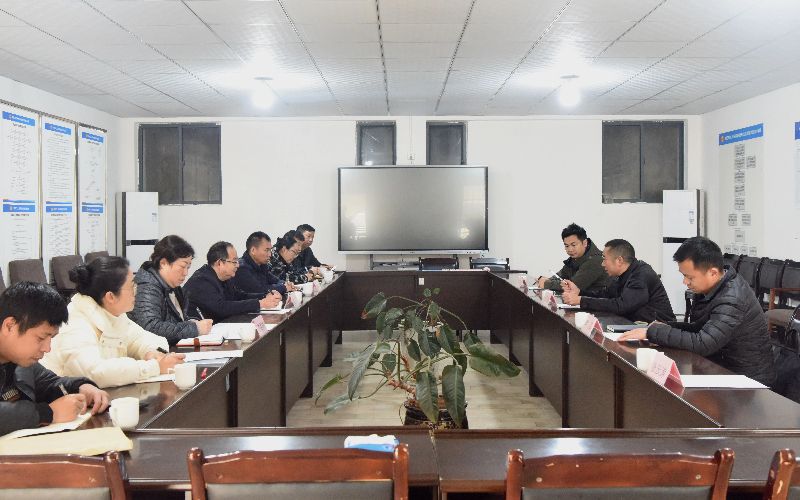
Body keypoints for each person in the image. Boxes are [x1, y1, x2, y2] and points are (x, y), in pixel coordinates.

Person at [619, 237, 777, 387]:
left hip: (747, 380)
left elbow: (703, 343)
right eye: (683, 276)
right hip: (723, 368)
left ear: (713, 273)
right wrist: (665, 326)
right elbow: (701, 328)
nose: (685, 282)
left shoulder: (732, 298)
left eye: (689, 277)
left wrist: (654, 332)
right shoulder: (714, 288)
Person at [42, 256, 185, 389]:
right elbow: (94, 373)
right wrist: (154, 367)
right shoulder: (75, 322)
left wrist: (150, 352)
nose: (136, 291)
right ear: (110, 296)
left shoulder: (114, 314)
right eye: (132, 286)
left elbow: (140, 338)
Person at [0, 282, 109, 436]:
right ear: (10, 326)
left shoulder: (20, 361)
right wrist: (48, 413)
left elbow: (49, 383)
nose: (47, 348)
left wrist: (80, 387)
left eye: (51, 338)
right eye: (41, 338)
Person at [561, 239, 675, 322]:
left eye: (604, 259)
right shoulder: (622, 273)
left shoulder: (641, 274)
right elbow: (606, 295)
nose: (602, 264)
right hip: (636, 324)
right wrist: (579, 293)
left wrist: (581, 300)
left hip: (659, 329)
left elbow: (622, 306)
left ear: (619, 260)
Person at [130, 235, 213, 345]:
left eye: (188, 267)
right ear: (163, 263)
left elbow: (176, 321)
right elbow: (150, 327)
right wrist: (194, 329)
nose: (186, 273)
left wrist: (191, 322)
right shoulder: (147, 287)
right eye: (182, 266)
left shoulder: (173, 286)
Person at [184, 241, 281, 322]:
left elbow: (238, 296)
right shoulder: (202, 280)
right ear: (220, 263)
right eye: (234, 261)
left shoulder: (226, 278)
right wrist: (260, 303)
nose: (238, 265)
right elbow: (221, 308)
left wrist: (265, 296)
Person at [536, 223, 609, 293]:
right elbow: (561, 275)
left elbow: (573, 286)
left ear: (585, 243)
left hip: (595, 300)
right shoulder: (576, 257)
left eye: (573, 245)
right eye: (567, 246)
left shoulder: (595, 261)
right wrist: (547, 280)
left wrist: (546, 283)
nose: (570, 250)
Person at [231, 231, 292, 300]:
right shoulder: (241, 268)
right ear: (253, 250)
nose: (270, 254)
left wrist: (286, 284)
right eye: (266, 250)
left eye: (270, 250)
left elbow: (275, 280)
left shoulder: (262, 265)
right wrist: (284, 287)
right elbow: (259, 290)